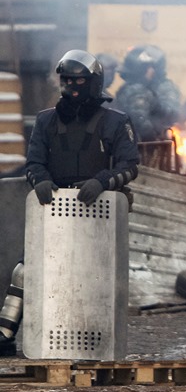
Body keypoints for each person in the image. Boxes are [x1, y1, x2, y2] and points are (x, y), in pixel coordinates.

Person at [0, 50, 140, 355]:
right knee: (26, 270)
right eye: (67, 80)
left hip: (97, 212)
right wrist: (41, 181)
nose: (72, 86)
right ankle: (5, 334)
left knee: (93, 275)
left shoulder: (115, 121)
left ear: (93, 82)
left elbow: (130, 165)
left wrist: (102, 182)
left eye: (78, 80)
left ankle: (95, 340)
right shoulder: (46, 120)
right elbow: (34, 162)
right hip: (53, 212)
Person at [113, 44, 182, 142]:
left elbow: (170, 114)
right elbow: (140, 122)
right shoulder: (136, 90)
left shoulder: (163, 88)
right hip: (140, 146)